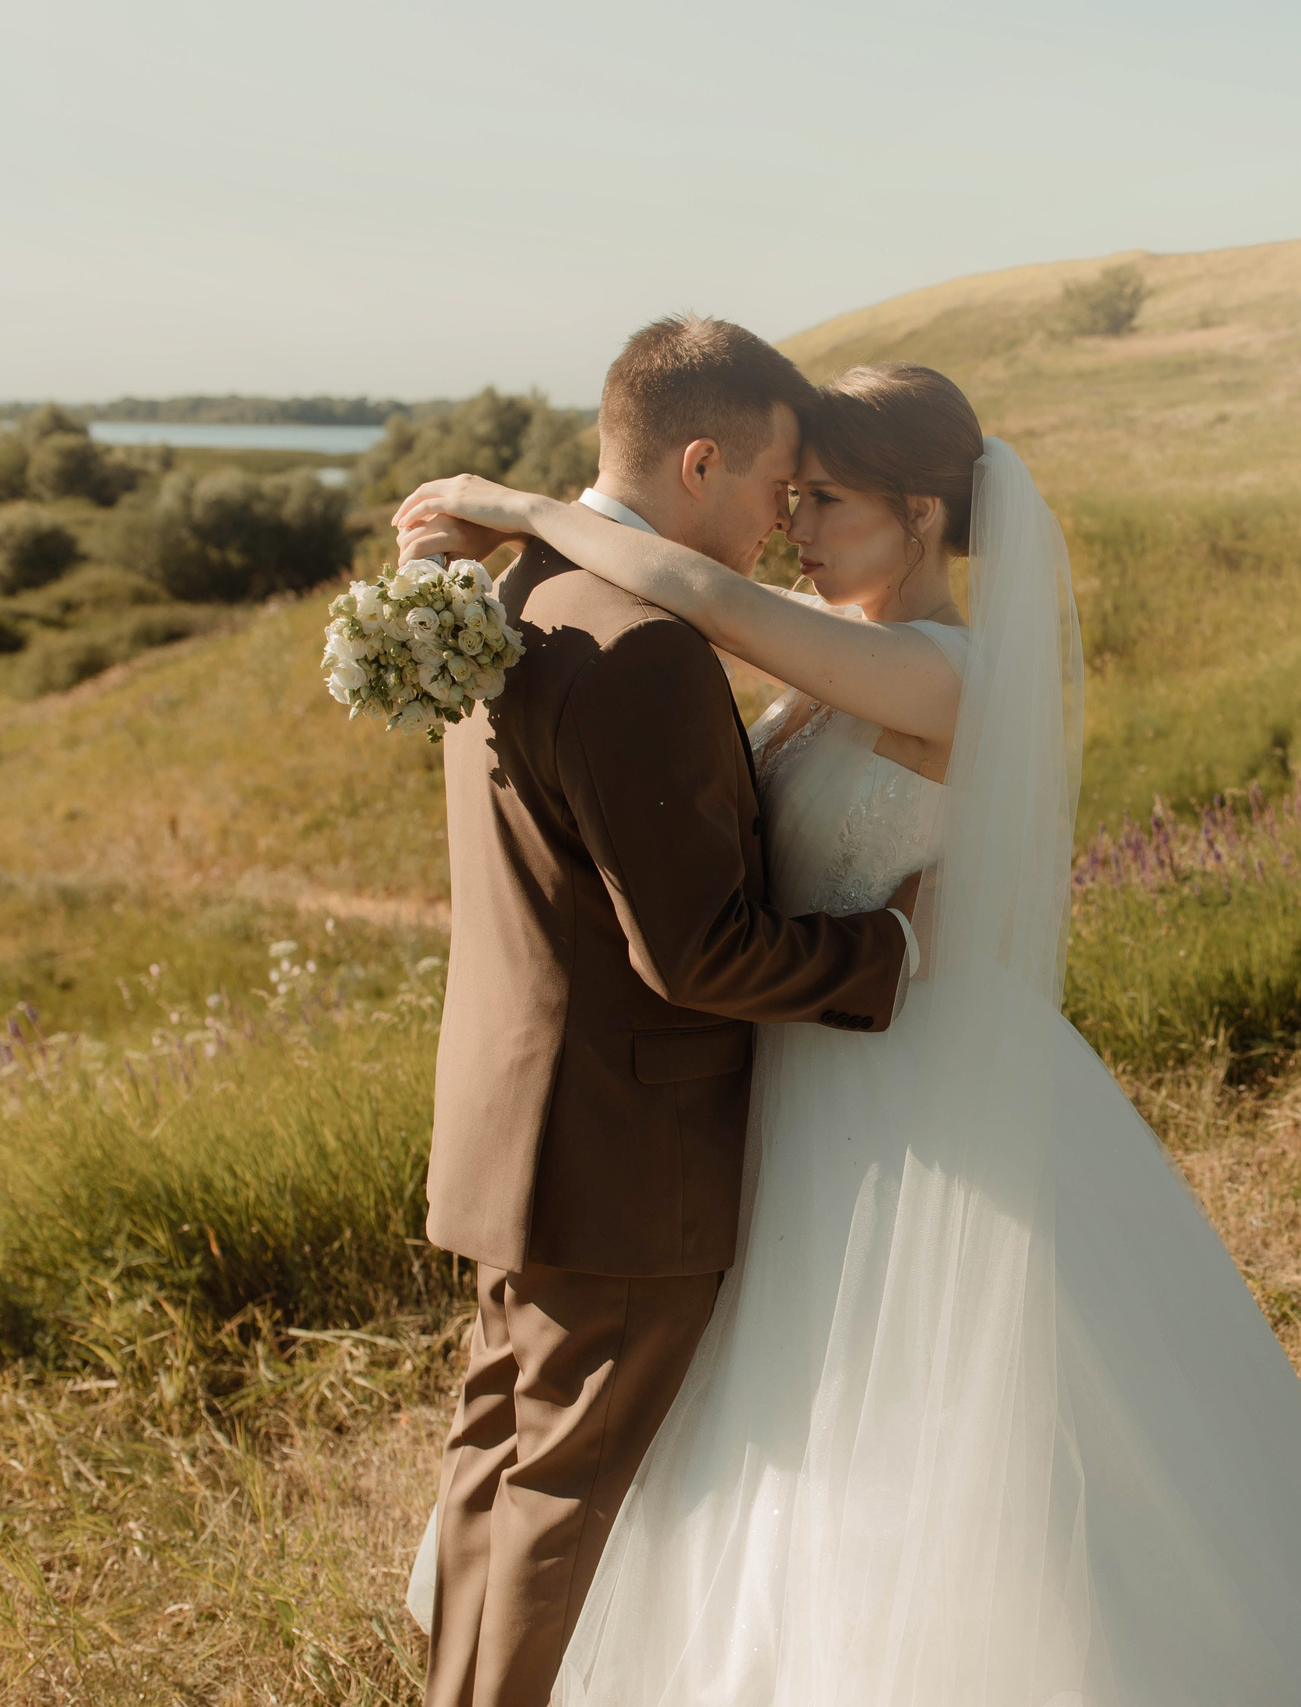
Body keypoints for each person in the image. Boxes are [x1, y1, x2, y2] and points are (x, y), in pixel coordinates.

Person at [396, 358, 1301, 1706]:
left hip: (902, 1079)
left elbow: (690, 589)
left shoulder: (943, 671)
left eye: (828, 497)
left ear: (923, 514)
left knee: (930, 1408)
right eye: (790, 494)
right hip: (799, 1068)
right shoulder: (831, 634)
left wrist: (515, 504)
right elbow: (694, 617)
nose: (796, 523)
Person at [413, 316, 917, 1707]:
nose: (781, 520)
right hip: (625, 1157)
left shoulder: (515, 594)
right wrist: (887, 952)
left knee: (496, 1456)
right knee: (560, 1501)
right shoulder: (639, 645)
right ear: (701, 461)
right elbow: (699, 956)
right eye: (774, 488)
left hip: (519, 1123)